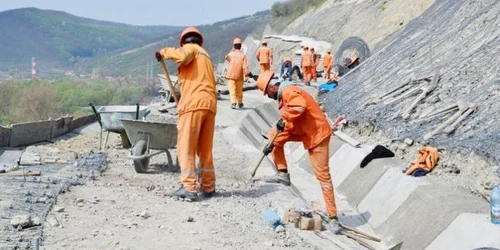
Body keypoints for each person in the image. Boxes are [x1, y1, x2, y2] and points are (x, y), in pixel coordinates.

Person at [255, 71, 340, 229]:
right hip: (305, 130)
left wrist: (284, 119)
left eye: (267, 92)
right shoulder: (286, 93)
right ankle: (282, 173)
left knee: (323, 176)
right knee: (274, 134)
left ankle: (333, 216)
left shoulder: (289, 91)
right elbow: (293, 118)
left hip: (317, 134)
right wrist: (274, 141)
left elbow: (299, 106)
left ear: (273, 87)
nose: (267, 96)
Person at [155, 27, 217, 200]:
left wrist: (163, 52)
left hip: (193, 105)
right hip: (209, 105)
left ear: (184, 42)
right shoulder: (206, 56)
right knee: (205, 150)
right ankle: (208, 186)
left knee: (186, 147)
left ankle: (189, 187)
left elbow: (182, 56)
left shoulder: (192, 49)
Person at [225, 37, 249, 109]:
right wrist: (246, 75)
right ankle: (240, 102)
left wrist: (233, 51)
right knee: (239, 90)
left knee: (232, 90)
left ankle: (233, 103)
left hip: (230, 75)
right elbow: (245, 67)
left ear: (234, 46)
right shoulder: (243, 56)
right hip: (239, 76)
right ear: (240, 46)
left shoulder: (231, 54)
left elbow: (226, 57)